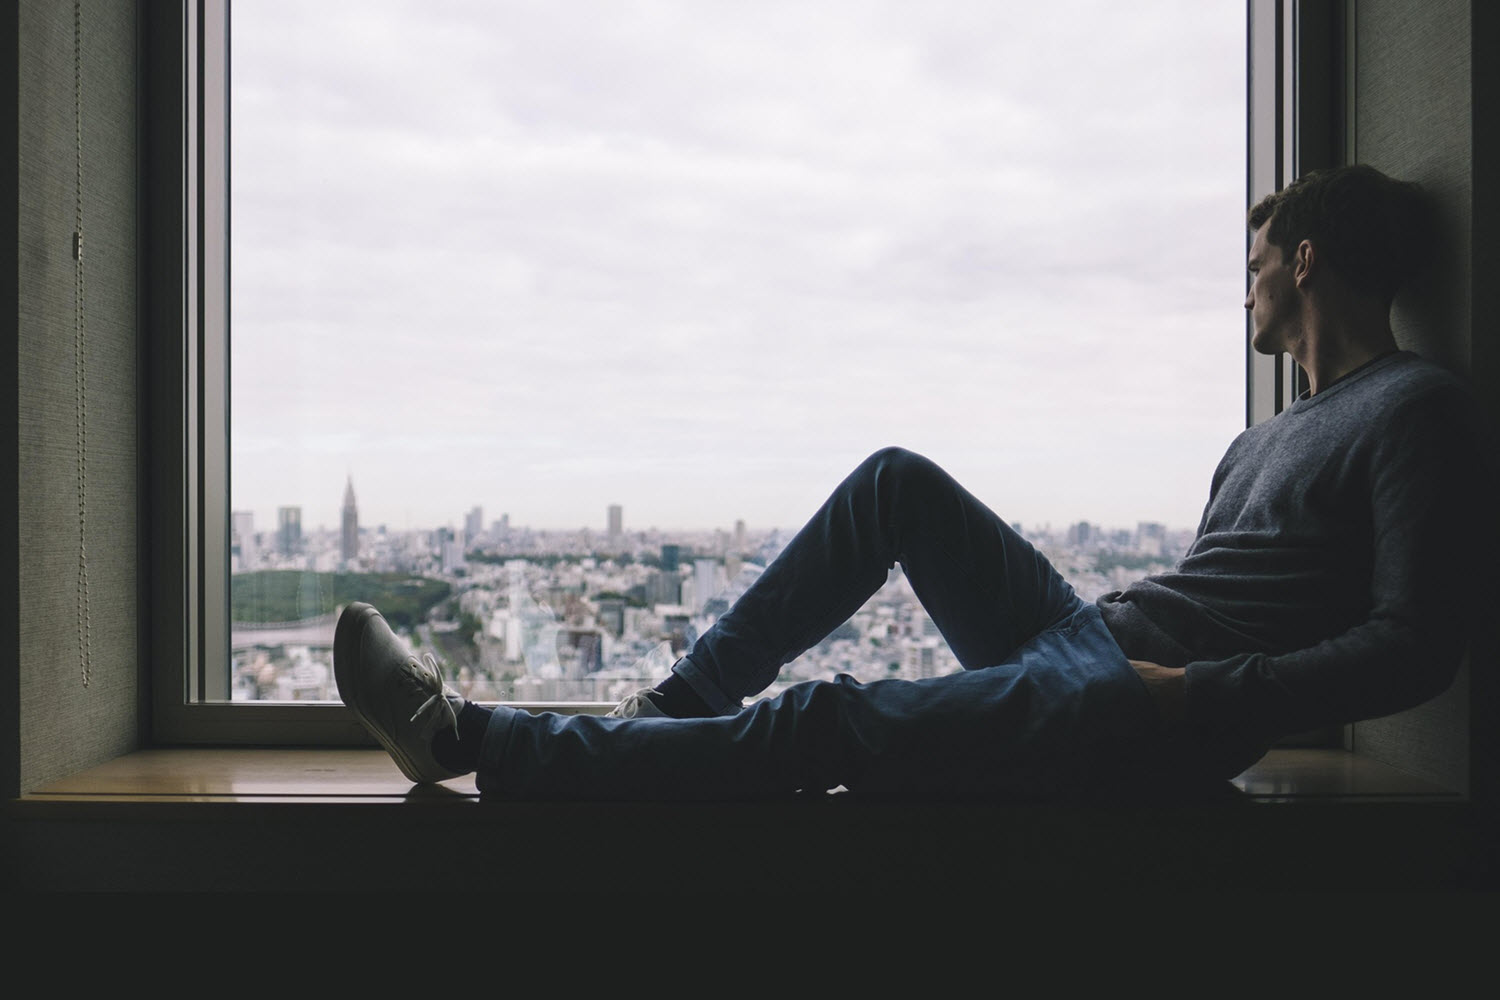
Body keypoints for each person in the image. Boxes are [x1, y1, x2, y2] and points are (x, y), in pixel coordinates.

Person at [333, 164, 1492, 801]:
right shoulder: (1260, 440)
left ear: (1304, 261)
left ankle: (467, 738)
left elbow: (1416, 645)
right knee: (895, 483)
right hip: (1105, 644)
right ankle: (677, 704)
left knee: (826, 717)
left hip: (1146, 705)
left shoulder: (1413, 405)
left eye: (1254, 269)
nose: (1243, 294)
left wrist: (1195, 695)